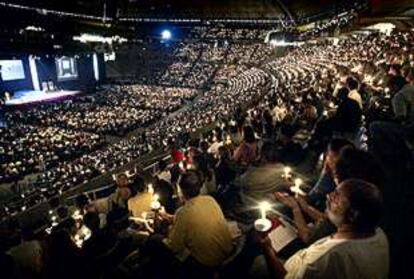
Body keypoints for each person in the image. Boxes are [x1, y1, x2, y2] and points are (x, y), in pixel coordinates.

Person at [262, 179, 389, 279]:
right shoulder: (376, 232)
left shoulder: (325, 259)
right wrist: (304, 206)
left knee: (258, 263)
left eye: (336, 197)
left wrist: (267, 248)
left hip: (287, 268)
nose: (328, 196)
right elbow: (326, 218)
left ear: (352, 215)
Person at [164, 170, 233, 268]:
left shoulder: (183, 212)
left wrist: (165, 233)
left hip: (208, 263)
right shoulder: (210, 200)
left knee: (157, 242)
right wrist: (169, 217)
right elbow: (195, 219)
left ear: (180, 191)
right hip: (226, 252)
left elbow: (175, 246)